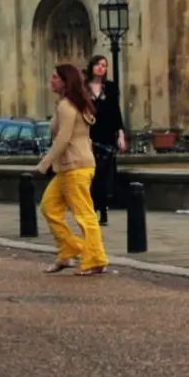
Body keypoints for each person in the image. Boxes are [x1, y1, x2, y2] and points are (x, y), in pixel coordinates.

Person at [36, 63, 110, 276]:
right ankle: (69, 250)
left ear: (65, 81)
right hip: (70, 167)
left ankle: (95, 258)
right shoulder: (72, 104)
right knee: (49, 207)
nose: (51, 81)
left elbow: (62, 139)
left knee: (84, 214)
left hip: (75, 166)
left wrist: (44, 163)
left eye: (55, 78)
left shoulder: (66, 106)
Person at [84, 54, 127, 224]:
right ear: (91, 66)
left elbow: (116, 112)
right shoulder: (84, 88)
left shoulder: (110, 87)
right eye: (98, 64)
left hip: (107, 135)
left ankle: (102, 210)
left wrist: (121, 135)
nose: (101, 68)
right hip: (90, 135)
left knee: (104, 174)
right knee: (93, 174)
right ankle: (94, 208)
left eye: (104, 65)